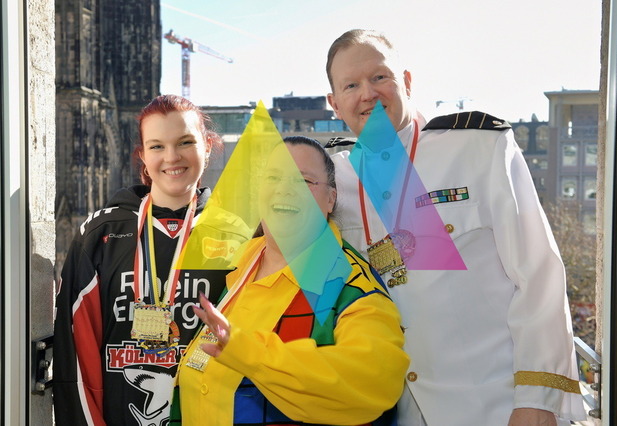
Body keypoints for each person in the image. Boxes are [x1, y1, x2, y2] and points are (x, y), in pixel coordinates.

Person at [325, 29, 586, 426]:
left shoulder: (477, 147)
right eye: (351, 85)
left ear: (406, 81)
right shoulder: (329, 179)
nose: (368, 94)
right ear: (334, 103)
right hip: (392, 411)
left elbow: (538, 274)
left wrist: (538, 398)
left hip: (497, 407)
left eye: (379, 77)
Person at [175, 136, 409, 425]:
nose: (285, 189)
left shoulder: (348, 285)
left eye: (304, 181)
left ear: (331, 199)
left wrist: (249, 353)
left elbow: (375, 380)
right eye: (273, 178)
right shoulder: (236, 264)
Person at [53, 94, 250, 425]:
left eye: (185, 142)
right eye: (157, 146)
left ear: (207, 146)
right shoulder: (102, 233)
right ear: (143, 156)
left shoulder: (239, 237)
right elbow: (75, 353)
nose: (172, 156)